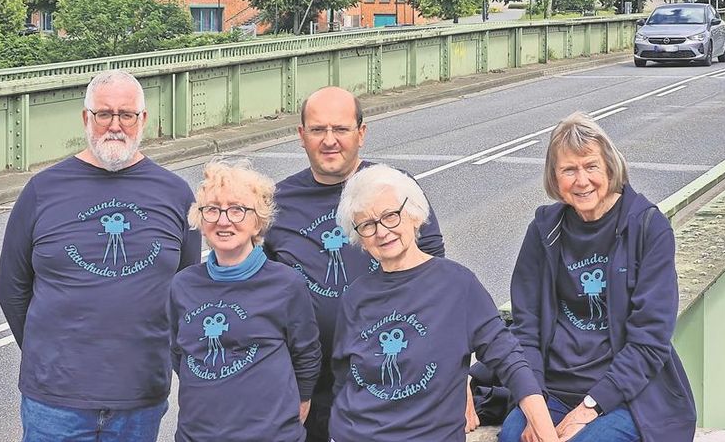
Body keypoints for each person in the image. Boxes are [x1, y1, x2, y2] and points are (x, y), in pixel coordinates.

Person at [0, 70, 201, 441]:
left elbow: (188, 293)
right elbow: (11, 287)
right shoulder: (43, 190)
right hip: (55, 400)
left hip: (139, 397)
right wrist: (48, 353)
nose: (115, 125)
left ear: (143, 119)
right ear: (86, 117)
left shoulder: (175, 194)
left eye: (126, 115)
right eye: (104, 113)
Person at [263, 86, 447, 441]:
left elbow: (435, 280)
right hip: (309, 387)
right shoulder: (277, 203)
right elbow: (259, 294)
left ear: (361, 133)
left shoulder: (395, 187)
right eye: (318, 129)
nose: (329, 140)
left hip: (389, 381)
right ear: (301, 135)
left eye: (341, 129)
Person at [500, 112, 697, 442]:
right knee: (513, 435)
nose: (582, 181)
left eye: (591, 166)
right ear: (554, 178)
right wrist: (534, 402)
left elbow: (650, 339)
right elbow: (526, 329)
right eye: (569, 170)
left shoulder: (647, 228)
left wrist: (589, 408)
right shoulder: (544, 230)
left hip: (627, 396)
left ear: (609, 167)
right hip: (554, 390)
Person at [329, 164, 558, 442]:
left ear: (414, 215)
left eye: (390, 216)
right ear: (360, 239)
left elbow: (509, 360)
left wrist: (544, 427)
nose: (381, 231)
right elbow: (344, 380)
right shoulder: (355, 297)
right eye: (367, 225)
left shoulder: (457, 285)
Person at [168, 160, 321, 441]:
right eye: (212, 209)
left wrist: (293, 408)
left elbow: (306, 355)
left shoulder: (285, 284)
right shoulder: (182, 285)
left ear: (257, 221)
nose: (223, 220)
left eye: (237, 209)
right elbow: (180, 353)